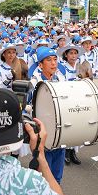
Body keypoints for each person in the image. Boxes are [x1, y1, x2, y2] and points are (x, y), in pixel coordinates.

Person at [29, 47, 67, 183]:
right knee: (43, 174)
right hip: (43, 133)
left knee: (57, 174)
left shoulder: (61, 79)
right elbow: (27, 108)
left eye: (55, 59)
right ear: (40, 65)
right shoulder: (34, 82)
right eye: (49, 60)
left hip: (59, 131)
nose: (53, 63)